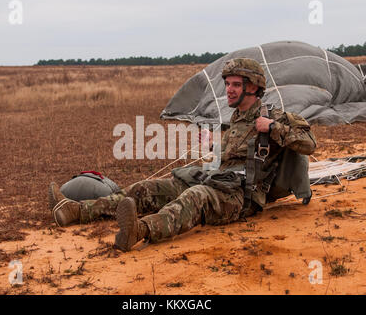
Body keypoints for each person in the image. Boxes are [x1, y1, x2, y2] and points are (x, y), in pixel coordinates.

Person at [48, 58, 317, 251]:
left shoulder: (274, 116)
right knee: (148, 188)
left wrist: (273, 128)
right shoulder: (235, 119)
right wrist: (214, 146)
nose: (229, 90)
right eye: (228, 84)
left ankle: (139, 231)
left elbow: (309, 143)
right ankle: (76, 211)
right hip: (217, 181)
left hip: (241, 197)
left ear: (254, 88)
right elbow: (234, 158)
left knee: (194, 198)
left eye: (236, 85)